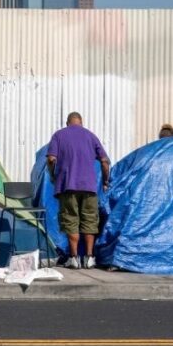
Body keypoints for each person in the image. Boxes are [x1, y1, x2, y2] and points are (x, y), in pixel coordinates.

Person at [46, 112, 111, 270]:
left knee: (71, 220)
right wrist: (105, 181)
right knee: (90, 220)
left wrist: (53, 175)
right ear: (81, 122)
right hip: (89, 187)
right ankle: (89, 258)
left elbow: (51, 159)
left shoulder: (59, 135)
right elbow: (105, 162)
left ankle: (74, 258)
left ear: (67, 123)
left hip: (68, 185)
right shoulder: (91, 136)